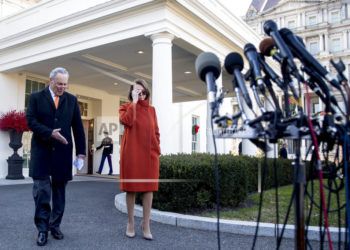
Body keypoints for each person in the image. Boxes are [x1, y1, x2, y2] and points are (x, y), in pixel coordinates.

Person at [26, 67, 86, 246]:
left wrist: (81, 154)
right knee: (42, 193)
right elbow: (31, 121)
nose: (62, 87)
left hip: (62, 153)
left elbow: (78, 129)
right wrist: (49, 133)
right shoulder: (36, 98)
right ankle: (42, 229)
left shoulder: (72, 100)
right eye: (59, 84)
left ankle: (55, 225)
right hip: (42, 153)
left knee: (59, 193)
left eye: (65, 84)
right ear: (51, 81)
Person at [119, 79, 160, 240]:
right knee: (131, 188)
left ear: (146, 92)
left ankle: (146, 223)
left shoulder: (152, 110)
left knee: (149, 189)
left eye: (142, 92)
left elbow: (156, 131)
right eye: (136, 92)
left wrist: (157, 148)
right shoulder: (125, 107)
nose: (140, 95)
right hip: (132, 152)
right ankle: (130, 222)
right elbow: (127, 121)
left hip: (150, 154)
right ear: (131, 93)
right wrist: (134, 102)